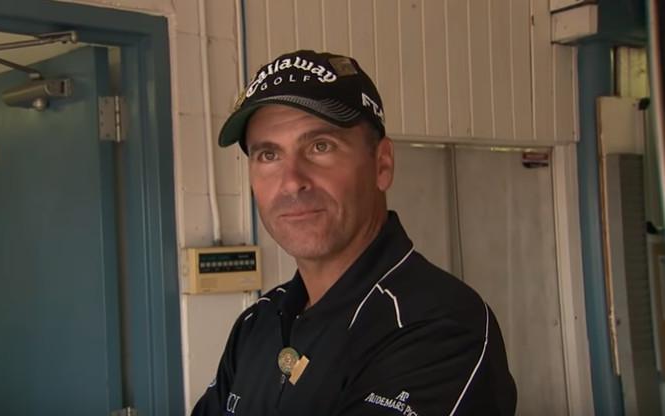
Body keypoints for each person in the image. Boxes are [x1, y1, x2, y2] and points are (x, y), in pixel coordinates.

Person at [191, 50, 516, 415]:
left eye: (320, 146)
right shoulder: (257, 324)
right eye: (268, 155)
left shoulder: (441, 328)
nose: (292, 182)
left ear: (382, 164)